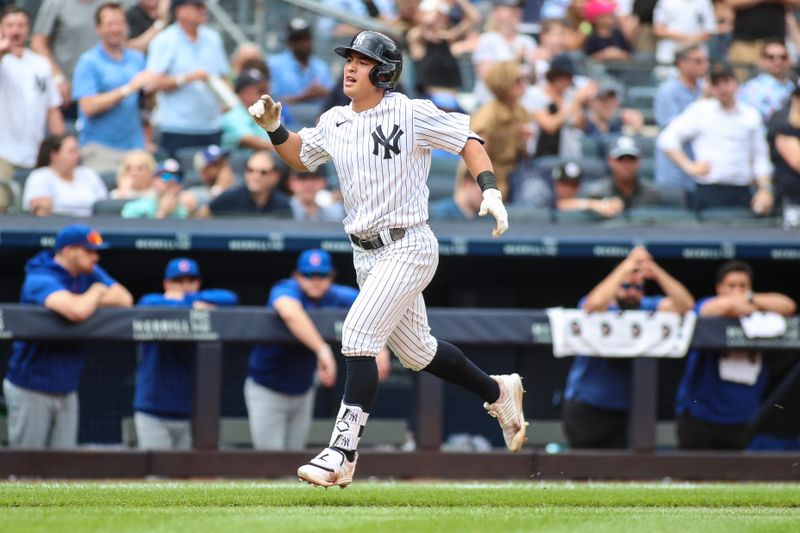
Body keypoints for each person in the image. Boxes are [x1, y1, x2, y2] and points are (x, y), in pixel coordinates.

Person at [249, 30, 523, 488]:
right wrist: (275, 128)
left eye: (362, 60)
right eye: (348, 59)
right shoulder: (335, 119)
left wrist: (491, 190)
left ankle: (342, 452)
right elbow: (300, 158)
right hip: (366, 254)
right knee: (418, 353)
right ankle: (498, 391)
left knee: (357, 333)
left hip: (409, 243)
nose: (351, 67)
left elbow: (468, 140)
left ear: (384, 71)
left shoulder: (410, 111)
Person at [3, 224, 133, 449]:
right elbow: (76, 311)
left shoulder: (90, 272)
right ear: (69, 250)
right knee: (27, 470)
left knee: (61, 472)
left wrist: (88, 298)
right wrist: (95, 292)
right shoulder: (40, 276)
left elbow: (125, 298)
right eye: (89, 251)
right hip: (31, 385)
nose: (96, 257)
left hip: (67, 387)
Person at [245, 249, 390, 451]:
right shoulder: (287, 287)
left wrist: (380, 347)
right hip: (267, 387)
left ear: (331, 276)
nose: (316, 280)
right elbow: (289, 312)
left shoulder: (336, 295)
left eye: (322, 275)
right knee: (270, 458)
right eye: (308, 275)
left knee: (294, 457)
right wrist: (322, 350)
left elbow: (372, 305)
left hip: (303, 389)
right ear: (296, 276)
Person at [563, 245, 695, 449]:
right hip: (587, 404)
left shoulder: (647, 307)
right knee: (583, 471)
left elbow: (685, 305)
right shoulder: (604, 304)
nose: (633, 292)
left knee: (620, 474)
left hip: (626, 409)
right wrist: (626, 266)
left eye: (639, 288)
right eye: (626, 286)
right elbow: (594, 303)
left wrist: (655, 271)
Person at [675, 260, 796, 450]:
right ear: (719, 288)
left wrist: (749, 300)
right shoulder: (707, 303)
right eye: (731, 286)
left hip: (741, 417)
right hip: (700, 416)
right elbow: (714, 309)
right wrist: (743, 305)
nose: (738, 291)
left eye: (743, 286)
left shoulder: (757, 308)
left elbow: (787, 306)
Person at [134, 257, 238, 450]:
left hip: (193, 413)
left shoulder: (200, 302)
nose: (184, 286)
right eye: (178, 281)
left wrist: (186, 301)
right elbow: (145, 302)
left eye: (189, 281)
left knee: (190, 477)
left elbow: (230, 298)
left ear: (197, 283)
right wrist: (191, 304)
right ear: (166, 284)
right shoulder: (154, 303)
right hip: (153, 410)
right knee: (156, 477)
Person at [657, 63, 773, 214]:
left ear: (736, 83)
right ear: (710, 86)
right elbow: (667, 139)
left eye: (726, 82)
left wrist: (764, 189)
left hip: (742, 190)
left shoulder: (751, 115)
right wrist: (689, 166)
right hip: (709, 190)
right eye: (716, 83)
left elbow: (760, 156)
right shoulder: (700, 110)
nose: (722, 88)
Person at [71, 2, 155, 174]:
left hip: (135, 147)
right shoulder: (88, 62)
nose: (116, 29)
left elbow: (147, 105)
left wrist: (152, 90)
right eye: (110, 24)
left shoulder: (137, 59)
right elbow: (88, 107)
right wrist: (128, 89)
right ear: (98, 29)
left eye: (120, 23)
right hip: (100, 149)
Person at [146, 0, 229, 156]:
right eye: (197, 5)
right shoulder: (164, 40)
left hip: (212, 126)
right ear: (179, 10)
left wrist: (227, 100)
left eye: (203, 5)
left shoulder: (213, 38)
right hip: (177, 128)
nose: (203, 9)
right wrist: (187, 78)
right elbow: (152, 83)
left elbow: (224, 76)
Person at [0, 6, 65, 181]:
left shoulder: (40, 63)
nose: (15, 30)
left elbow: (52, 108)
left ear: (28, 29)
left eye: (21, 25)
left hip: (36, 154)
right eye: (10, 25)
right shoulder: (3, 61)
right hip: (3, 153)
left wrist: (61, 145)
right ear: (1, 29)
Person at [470, 60, 532, 199]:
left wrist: (526, 142)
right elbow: (478, 156)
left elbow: (524, 155)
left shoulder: (520, 112)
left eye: (525, 79)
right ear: (505, 82)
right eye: (518, 80)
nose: (524, 84)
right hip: (491, 180)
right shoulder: (487, 116)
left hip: (515, 175)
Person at [30, 0, 101, 119]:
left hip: (102, 94)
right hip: (67, 96)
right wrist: (57, 77)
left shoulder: (110, 3)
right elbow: (38, 44)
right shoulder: (56, 3)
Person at [653, 43, 708, 193]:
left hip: (702, 168)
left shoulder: (705, 88)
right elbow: (673, 130)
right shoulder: (667, 91)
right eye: (698, 61)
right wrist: (704, 99)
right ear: (681, 63)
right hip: (674, 169)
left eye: (705, 60)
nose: (704, 65)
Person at [583, 136, 678, 212]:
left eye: (632, 159)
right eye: (621, 159)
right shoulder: (598, 192)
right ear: (610, 161)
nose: (627, 165)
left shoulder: (651, 193)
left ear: (639, 161)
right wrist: (596, 205)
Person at [22, 133, 108, 217]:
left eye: (77, 151)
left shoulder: (88, 173)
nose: (77, 156)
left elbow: (104, 205)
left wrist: (54, 205)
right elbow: (37, 207)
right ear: (54, 155)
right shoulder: (40, 176)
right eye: (71, 152)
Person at [267, 18, 334, 126]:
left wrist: (325, 92)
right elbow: (271, 102)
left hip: (320, 120)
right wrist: (304, 96)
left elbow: (335, 99)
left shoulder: (321, 67)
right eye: (297, 39)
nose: (303, 43)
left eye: (306, 38)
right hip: (288, 121)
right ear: (289, 42)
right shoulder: (274, 64)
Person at [208, 150, 291, 216]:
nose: (255, 177)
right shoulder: (227, 199)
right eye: (250, 170)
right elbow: (204, 219)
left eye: (263, 172)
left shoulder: (283, 204)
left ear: (275, 176)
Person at [738, 39, 795, 123]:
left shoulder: (794, 87)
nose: (778, 61)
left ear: (790, 60)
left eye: (783, 57)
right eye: (770, 57)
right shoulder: (752, 88)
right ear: (761, 60)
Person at [121, 157, 198, 218]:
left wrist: (192, 212)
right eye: (166, 176)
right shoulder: (135, 208)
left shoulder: (185, 208)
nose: (171, 180)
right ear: (153, 180)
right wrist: (163, 212)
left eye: (177, 177)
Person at [652, 0, 715, 68]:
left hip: (697, 61)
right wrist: (686, 38)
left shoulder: (704, 2)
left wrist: (690, 41)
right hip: (668, 58)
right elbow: (658, 30)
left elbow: (710, 31)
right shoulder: (666, 2)